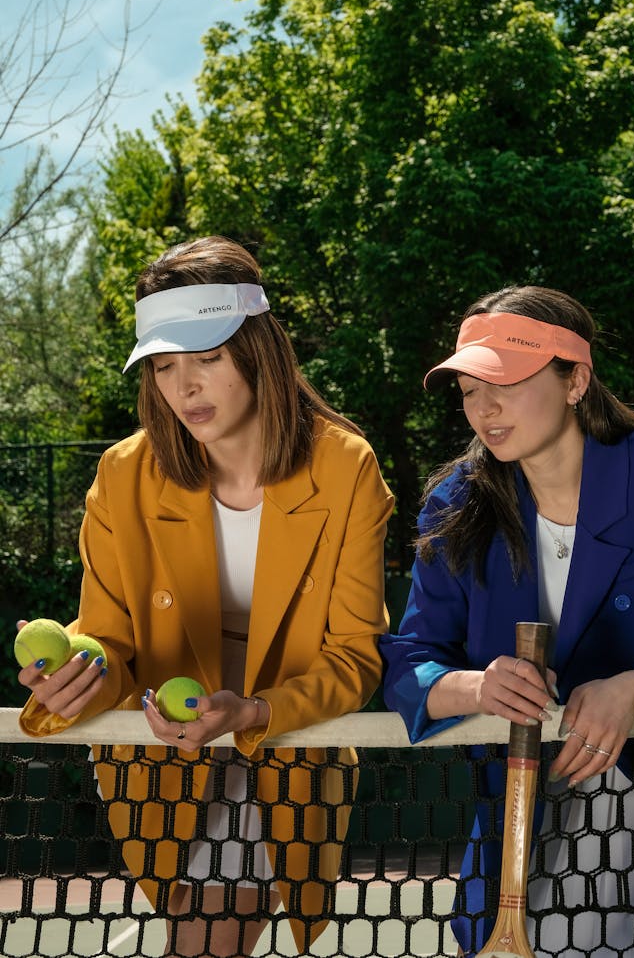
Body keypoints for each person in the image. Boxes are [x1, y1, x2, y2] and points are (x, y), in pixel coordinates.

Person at [17, 235, 394, 958]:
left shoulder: (346, 467)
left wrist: (255, 711)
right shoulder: (121, 476)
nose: (184, 386)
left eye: (208, 358)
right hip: (160, 767)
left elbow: (355, 656)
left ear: (257, 350)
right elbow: (111, 641)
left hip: (285, 751)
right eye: (163, 365)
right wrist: (76, 672)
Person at [380, 285, 634, 958]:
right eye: (468, 388)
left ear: (575, 379)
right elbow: (408, 662)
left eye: (507, 382)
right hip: (517, 830)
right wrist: (474, 686)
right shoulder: (452, 503)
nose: (483, 408)